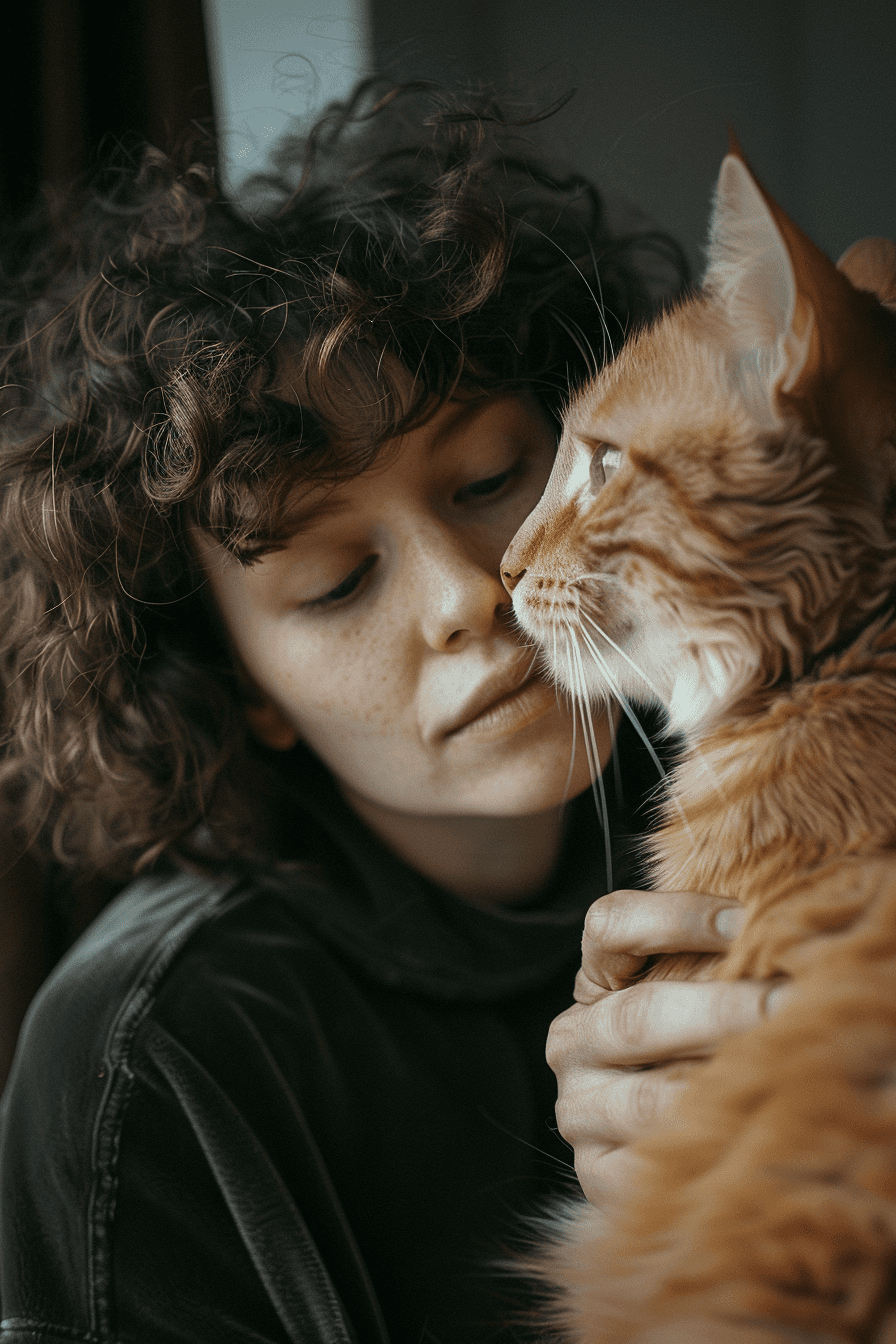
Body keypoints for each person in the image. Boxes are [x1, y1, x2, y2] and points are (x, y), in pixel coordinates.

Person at [0, 84, 779, 1343]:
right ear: (243, 691)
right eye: (335, 581)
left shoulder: (780, 783)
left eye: (488, 478)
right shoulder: (156, 1047)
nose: (476, 593)